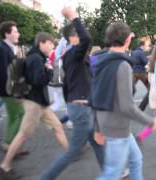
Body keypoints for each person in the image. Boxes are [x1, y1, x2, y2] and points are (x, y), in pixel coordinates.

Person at [90, 22, 156, 180]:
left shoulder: (100, 61)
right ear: (128, 40)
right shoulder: (122, 65)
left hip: (110, 125)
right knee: (112, 173)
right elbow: (127, 106)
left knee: (136, 161)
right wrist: (151, 122)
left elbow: (95, 97)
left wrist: (97, 128)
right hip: (117, 128)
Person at [39, 7, 104, 180]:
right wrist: (74, 17)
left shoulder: (70, 56)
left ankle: (111, 172)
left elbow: (68, 85)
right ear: (73, 37)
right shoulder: (75, 53)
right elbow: (87, 38)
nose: (84, 35)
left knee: (97, 143)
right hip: (81, 109)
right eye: (80, 34)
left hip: (81, 107)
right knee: (72, 151)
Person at [0, 32, 68, 178]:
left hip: (40, 103)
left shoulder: (36, 57)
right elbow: (38, 81)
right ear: (41, 43)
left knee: (57, 126)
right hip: (34, 104)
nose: (52, 46)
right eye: (50, 43)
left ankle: (70, 153)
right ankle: (5, 165)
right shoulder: (36, 59)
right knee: (23, 134)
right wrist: (49, 71)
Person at [0, 21, 26, 153]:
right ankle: (8, 143)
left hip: (8, 89)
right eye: (15, 31)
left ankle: (13, 146)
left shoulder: (8, 47)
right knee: (21, 114)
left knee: (13, 117)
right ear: (7, 34)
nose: (18, 33)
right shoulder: (1, 49)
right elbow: (3, 74)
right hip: (7, 90)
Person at [132, 37, 152, 111]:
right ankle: (142, 106)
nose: (146, 47)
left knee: (131, 88)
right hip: (141, 73)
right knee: (151, 89)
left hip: (134, 73)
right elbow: (145, 62)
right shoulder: (140, 52)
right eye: (146, 45)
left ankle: (127, 103)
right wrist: (149, 58)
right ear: (142, 45)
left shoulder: (134, 52)